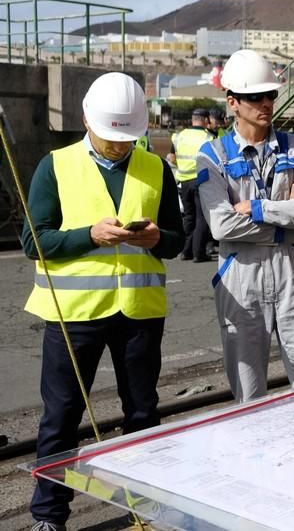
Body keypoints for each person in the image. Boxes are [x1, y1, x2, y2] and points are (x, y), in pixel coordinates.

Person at [21, 72, 183, 531]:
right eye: (111, 138)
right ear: (86, 121)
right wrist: (88, 236)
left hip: (139, 314)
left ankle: (144, 510)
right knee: (61, 418)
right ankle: (49, 517)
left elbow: (176, 239)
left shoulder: (156, 167)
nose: (118, 146)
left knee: (143, 416)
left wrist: (156, 238)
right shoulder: (55, 165)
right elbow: (34, 240)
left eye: (126, 139)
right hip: (74, 317)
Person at [196, 49, 294, 402]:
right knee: (248, 393)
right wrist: (287, 216)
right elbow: (221, 226)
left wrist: (259, 209)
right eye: (254, 97)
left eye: (270, 95)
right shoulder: (212, 155)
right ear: (233, 102)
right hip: (241, 273)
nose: (265, 103)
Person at [168, 108, 215, 262]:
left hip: (183, 181)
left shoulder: (179, 136)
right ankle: (198, 253)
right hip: (200, 181)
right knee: (202, 218)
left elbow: (172, 158)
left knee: (189, 217)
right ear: (206, 120)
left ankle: (185, 251)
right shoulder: (208, 137)